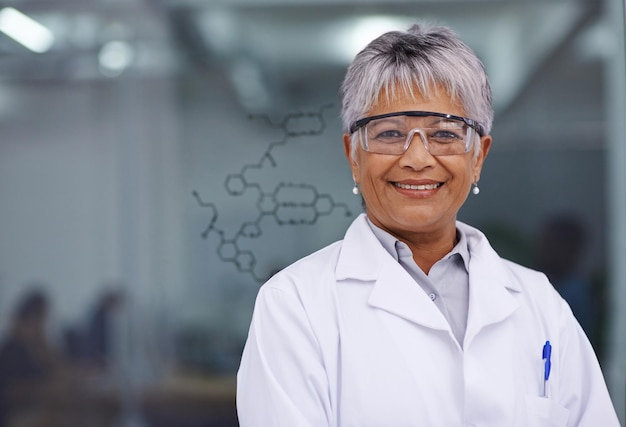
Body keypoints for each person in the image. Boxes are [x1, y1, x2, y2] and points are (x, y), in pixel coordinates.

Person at [236, 23, 619, 427]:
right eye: (389, 133)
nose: (417, 157)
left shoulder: (541, 304)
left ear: (478, 157)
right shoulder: (294, 305)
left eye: (444, 133)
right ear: (353, 154)